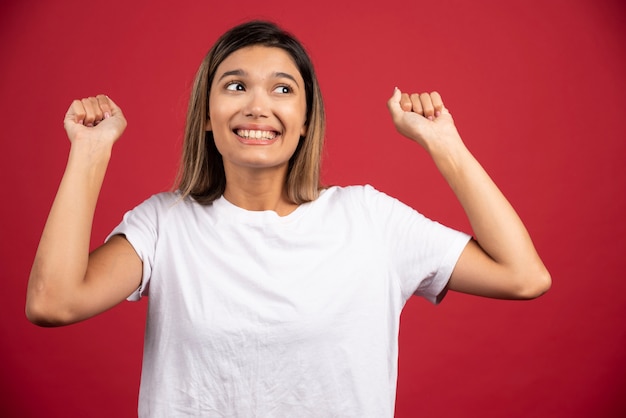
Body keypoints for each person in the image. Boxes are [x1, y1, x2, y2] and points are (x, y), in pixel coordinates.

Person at [26, 20, 551, 417]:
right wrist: (90, 152)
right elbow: (54, 302)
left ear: (304, 121)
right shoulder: (165, 225)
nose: (258, 106)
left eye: (282, 89)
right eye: (235, 86)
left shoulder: (368, 219)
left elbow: (523, 276)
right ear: (207, 117)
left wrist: (444, 143)